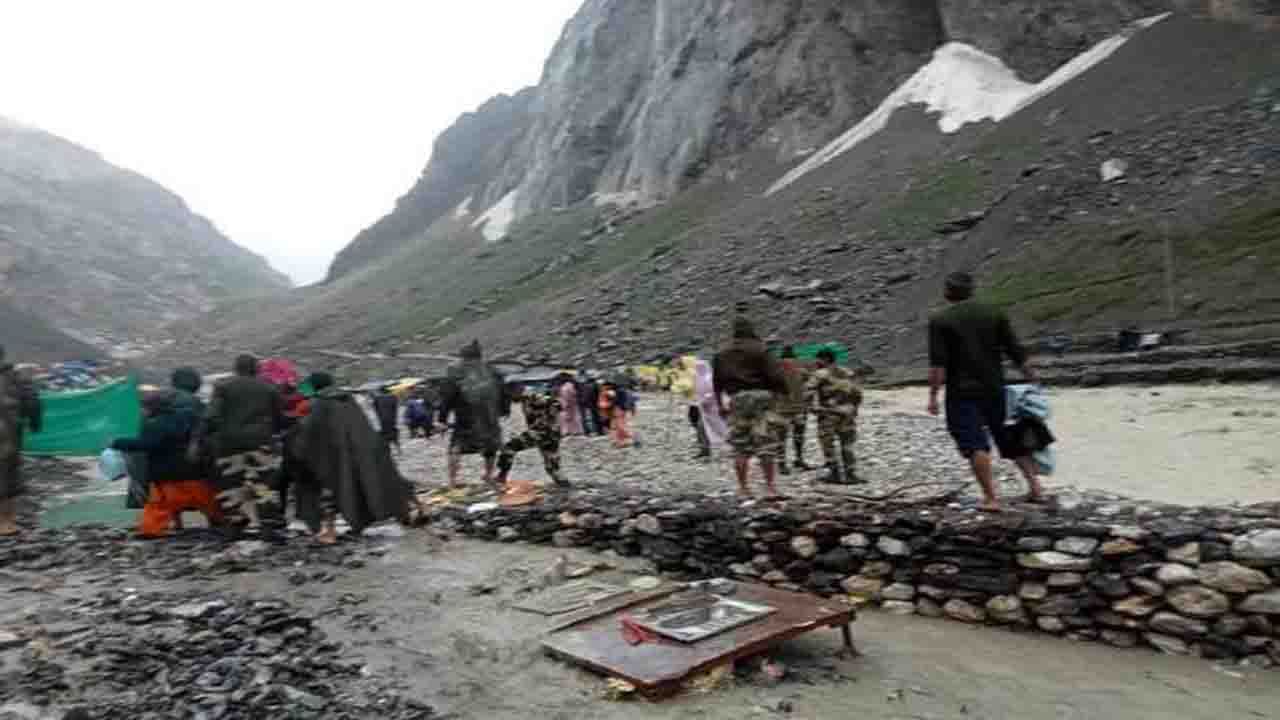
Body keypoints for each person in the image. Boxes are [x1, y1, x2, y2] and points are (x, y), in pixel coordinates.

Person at [928, 272, 1045, 512]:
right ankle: (1036, 489)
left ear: (947, 291)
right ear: (972, 290)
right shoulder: (994, 313)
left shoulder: (940, 320)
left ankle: (991, 499)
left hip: (962, 392)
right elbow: (1015, 350)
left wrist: (933, 396)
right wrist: (1032, 378)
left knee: (974, 443)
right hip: (995, 389)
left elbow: (938, 364)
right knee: (1008, 437)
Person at [112, 390, 222, 538]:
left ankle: (151, 530)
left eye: (143, 408)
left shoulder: (154, 425)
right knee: (207, 499)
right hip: (192, 470)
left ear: (151, 408)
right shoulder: (187, 416)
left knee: (159, 504)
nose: (142, 411)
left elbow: (147, 444)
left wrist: (118, 443)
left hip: (165, 475)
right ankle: (223, 522)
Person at [202, 354, 285, 534]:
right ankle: (269, 521)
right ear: (256, 368)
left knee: (232, 483)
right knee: (264, 482)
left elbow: (211, 416)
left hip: (229, 444)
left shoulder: (222, 387)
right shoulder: (269, 388)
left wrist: (212, 435)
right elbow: (280, 417)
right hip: (261, 442)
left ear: (236, 368)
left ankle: (236, 521)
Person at [712, 317, 788, 499]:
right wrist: (781, 393)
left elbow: (717, 382)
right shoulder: (761, 350)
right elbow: (776, 376)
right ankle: (770, 487)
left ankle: (743, 488)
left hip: (737, 398)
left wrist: (719, 405)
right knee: (766, 443)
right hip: (762, 397)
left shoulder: (722, 354)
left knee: (740, 446)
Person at [439, 341, 507, 487]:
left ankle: (452, 480)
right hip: (489, 415)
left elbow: (447, 396)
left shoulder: (455, 370)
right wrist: (504, 410)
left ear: (463, 356)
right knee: (490, 447)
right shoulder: (491, 369)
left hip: (465, 414)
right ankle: (488, 475)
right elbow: (503, 390)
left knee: (456, 446)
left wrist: (442, 418)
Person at [807, 348, 865, 485]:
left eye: (818, 359)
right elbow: (858, 393)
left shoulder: (820, 374)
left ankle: (834, 473)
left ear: (825, 359)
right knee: (847, 444)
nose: (816, 362)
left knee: (827, 443)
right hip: (847, 413)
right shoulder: (848, 372)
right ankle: (850, 473)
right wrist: (854, 409)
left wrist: (811, 407)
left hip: (828, 413)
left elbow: (808, 390)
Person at [0, 347, 42, 536]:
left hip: (8, 434)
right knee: (8, 477)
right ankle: (6, 523)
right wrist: (34, 422)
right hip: (9, 436)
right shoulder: (17, 378)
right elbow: (33, 401)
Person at [496, 384, 568, 488]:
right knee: (553, 467)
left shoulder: (532, 396)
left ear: (517, 391)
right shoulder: (525, 400)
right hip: (551, 434)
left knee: (509, 447)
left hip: (542, 432)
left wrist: (548, 418)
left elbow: (556, 404)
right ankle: (564, 486)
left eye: (511, 395)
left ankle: (502, 476)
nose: (511, 398)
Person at [776, 346, 813, 475]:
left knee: (781, 437)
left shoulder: (776, 369)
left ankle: (781, 463)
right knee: (799, 436)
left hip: (781, 409)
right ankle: (799, 459)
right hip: (799, 408)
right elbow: (810, 385)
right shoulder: (801, 369)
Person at [373, 386, 401, 455]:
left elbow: (375, 407)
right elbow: (396, 407)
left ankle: (388, 451)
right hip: (392, 419)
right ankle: (398, 449)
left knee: (385, 436)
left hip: (383, 420)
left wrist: (379, 415)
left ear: (381, 391)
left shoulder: (377, 398)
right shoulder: (393, 397)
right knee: (394, 434)